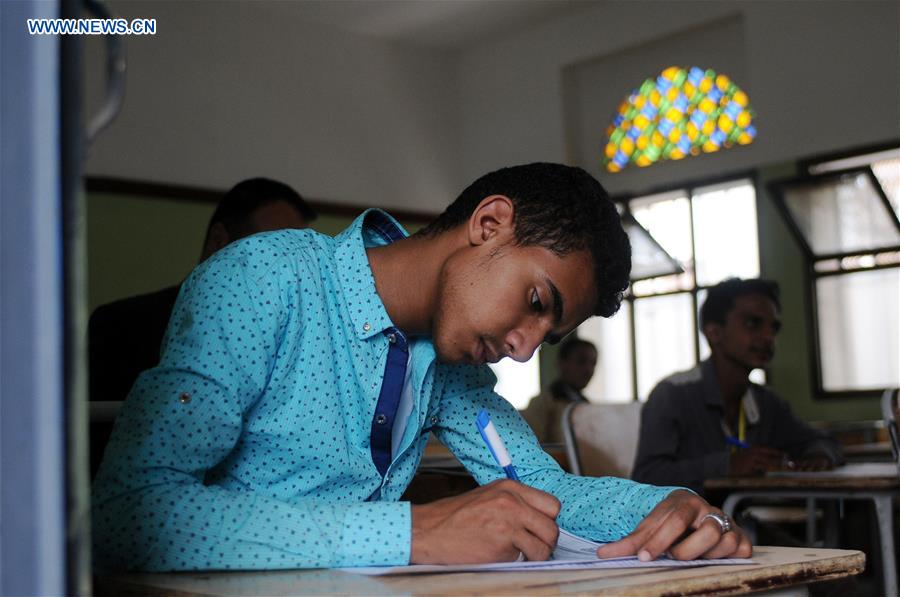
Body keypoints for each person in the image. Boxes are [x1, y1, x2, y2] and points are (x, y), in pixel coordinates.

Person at [92, 163, 751, 572]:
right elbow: (126, 513)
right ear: (490, 222)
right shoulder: (265, 280)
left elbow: (540, 486)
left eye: (547, 334)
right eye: (535, 302)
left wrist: (678, 504)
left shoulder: (453, 374)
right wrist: (414, 530)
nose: (525, 347)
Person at [88, 178, 315, 476]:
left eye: (296, 259)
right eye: (267, 252)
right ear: (219, 240)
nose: (285, 272)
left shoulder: (302, 342)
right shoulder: (121, 325)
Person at [632, 278, 843, 496]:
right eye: (753, 324)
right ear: (714, 332)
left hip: (751, 522)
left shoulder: (766, 402)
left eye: (774, 327)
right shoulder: (672, 395)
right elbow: (646, 478)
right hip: (693, 527)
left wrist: (819, 455)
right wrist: (726, 466)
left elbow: (824, 441)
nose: (768, 337)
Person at [522, 337, 597, 443]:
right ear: (562, 364)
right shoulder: (544, 402)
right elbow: (532, 444)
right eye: (581, 361)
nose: (588, 369)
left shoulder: (586, 405)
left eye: (593, 363)